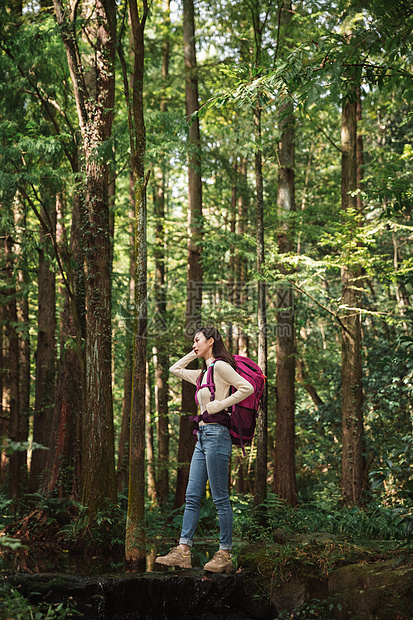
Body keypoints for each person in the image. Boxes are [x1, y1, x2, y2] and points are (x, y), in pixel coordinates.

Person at [155, 326, 254, 573]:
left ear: (211, 341)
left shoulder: (220, 367)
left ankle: (225, 553)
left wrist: (222, 403)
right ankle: (183, 551)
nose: (193, 344)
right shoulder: (201, 374)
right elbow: (174, 369)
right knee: (191, 497)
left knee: (220, 498)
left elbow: (246, 388)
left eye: (197, 340)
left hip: (218, 436)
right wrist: (194, 353)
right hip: (201, 437)